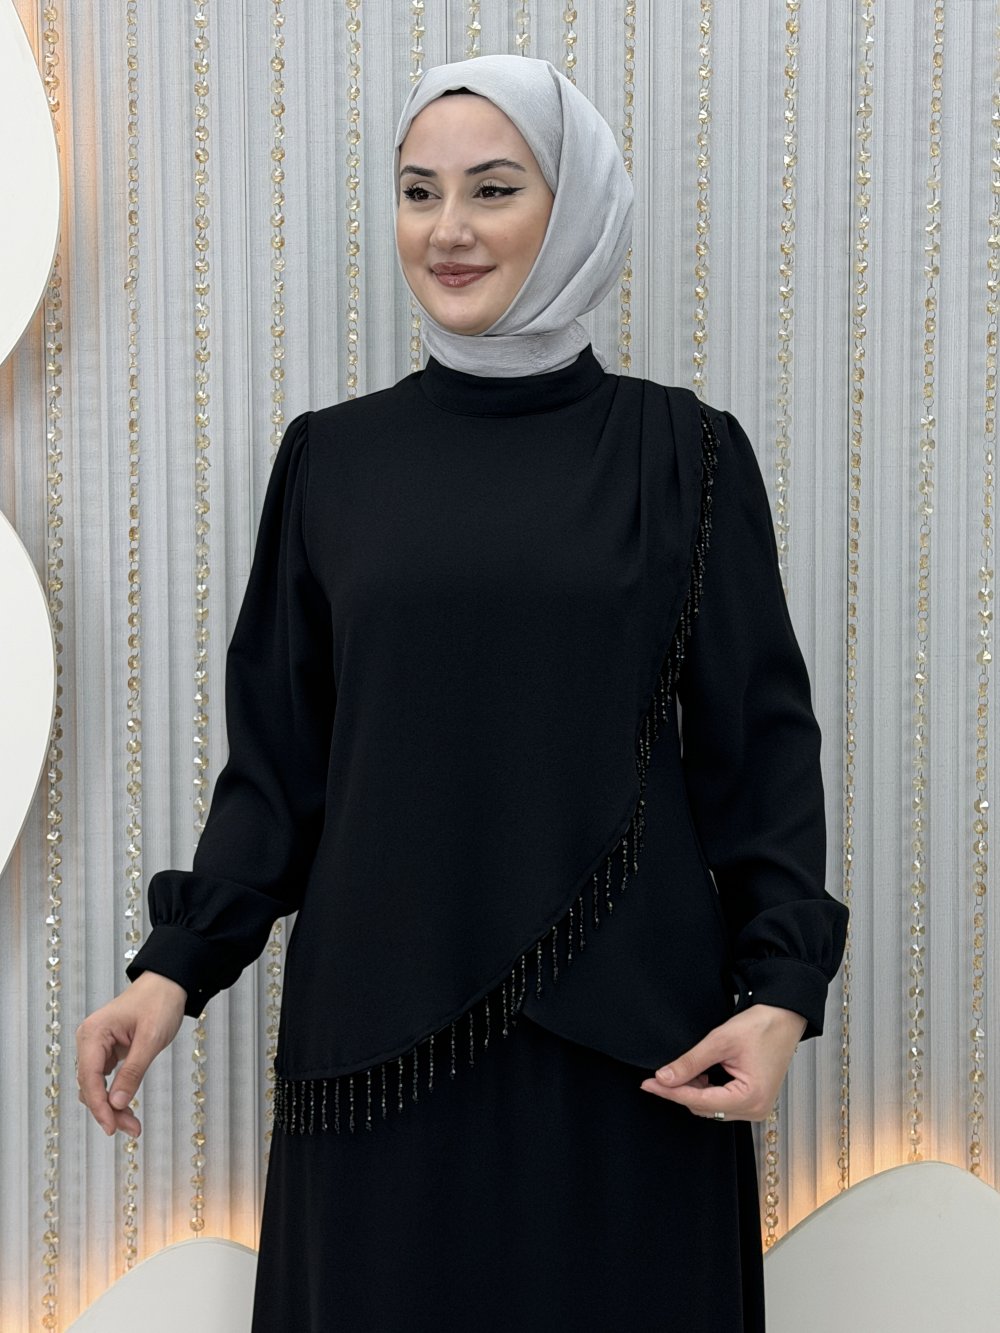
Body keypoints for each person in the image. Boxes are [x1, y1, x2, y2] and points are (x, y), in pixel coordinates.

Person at [76, 54, 849, 1331]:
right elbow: (280, 769)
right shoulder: (332, 460)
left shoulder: (684, 454)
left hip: (632, 1054)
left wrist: (779, 993)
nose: (447, 230)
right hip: (379, 1048)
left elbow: (758, 755)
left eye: (493, 188)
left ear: (574, 205)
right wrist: (172, 971)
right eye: (417, 192)